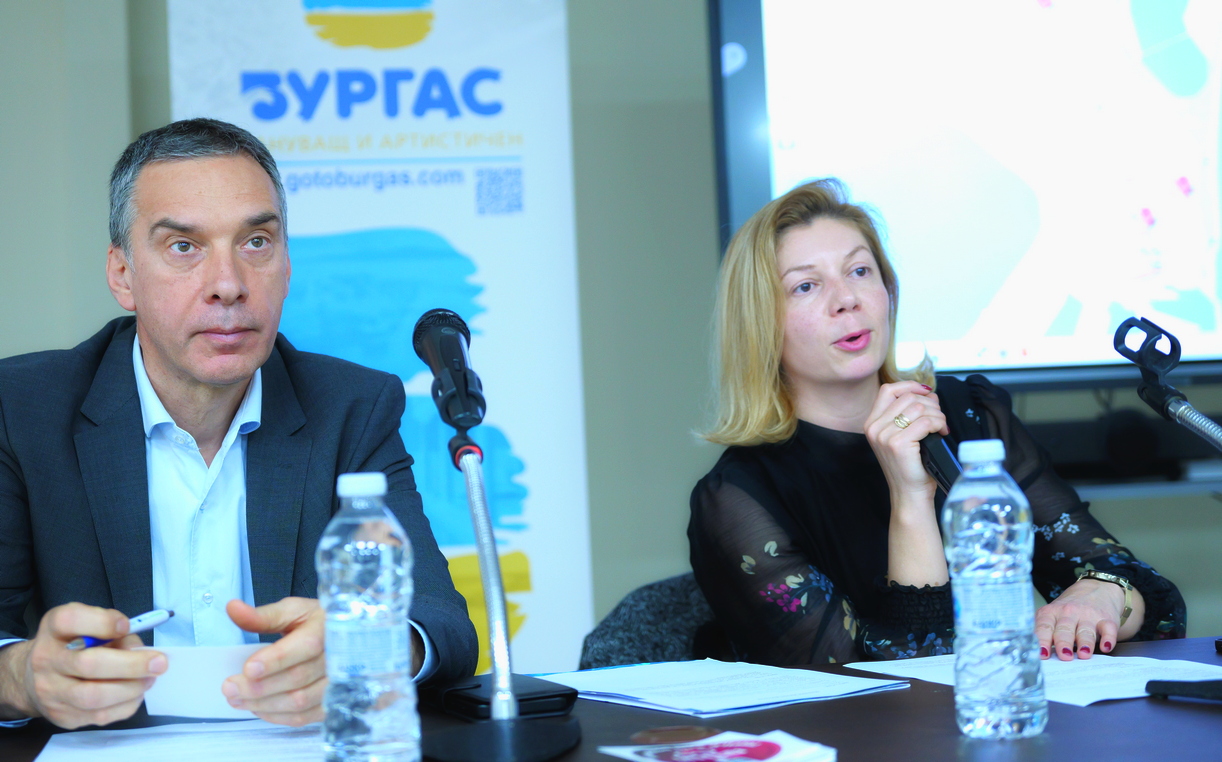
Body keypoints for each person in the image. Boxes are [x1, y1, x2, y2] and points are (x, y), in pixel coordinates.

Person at [0, 118, 477, 729]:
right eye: (184, 247)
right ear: (122, 275)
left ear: (286, 264)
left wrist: (366, 649)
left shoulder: (351, 407)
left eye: (256, 242)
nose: (228, 285)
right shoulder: (23, 409)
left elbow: (440, 622)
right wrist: (23, 677)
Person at [688, 179, 1186, 666]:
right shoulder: (738, 499)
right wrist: (910, 498)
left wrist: (1102, 594)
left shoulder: (968, 413)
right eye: (805, 286)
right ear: (762, 324)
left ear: (888, 290)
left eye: (860, 271)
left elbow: (1147, 593)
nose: (847, 299)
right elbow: (889, 681)